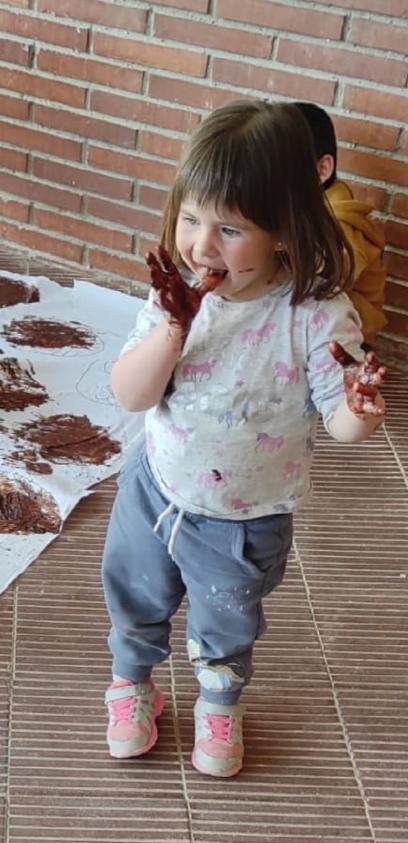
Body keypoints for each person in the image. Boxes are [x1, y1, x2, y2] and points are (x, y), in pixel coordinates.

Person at [102, 101, 386, 779]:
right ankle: (132, 682)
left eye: (229, 229)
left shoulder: (315, 315)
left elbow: (342, 424)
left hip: (244, 520)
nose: (201, 246)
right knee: (134, 597)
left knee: (226, 621)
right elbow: (131, 394)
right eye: (191, 218)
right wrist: (174, 329)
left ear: (284, 231)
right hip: (155, 489)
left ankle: (219, 702)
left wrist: (360, 408)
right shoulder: (174, 297)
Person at [295, 101, 387, 348]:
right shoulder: (307, 204)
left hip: (348, 343)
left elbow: (323, 280)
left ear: (322, 169)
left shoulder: (339, 224)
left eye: (282, 167)